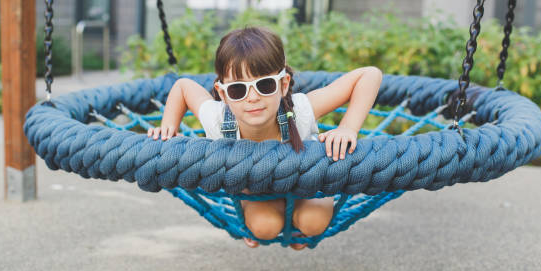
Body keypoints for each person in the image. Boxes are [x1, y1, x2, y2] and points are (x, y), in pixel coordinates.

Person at [147, 27, 382, 250]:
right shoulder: (218, 119)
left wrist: (348, 128)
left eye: (265, 85)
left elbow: (370, 75)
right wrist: (169, 127)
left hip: (305, 187)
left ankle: (299, 228)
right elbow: (183, 86)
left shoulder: (299, 110)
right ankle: (258, 221)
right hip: (258, 192)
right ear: (223, 94)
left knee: (314, 222)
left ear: (283, 85)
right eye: (238, 90)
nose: (252, 97)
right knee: (264, 228)